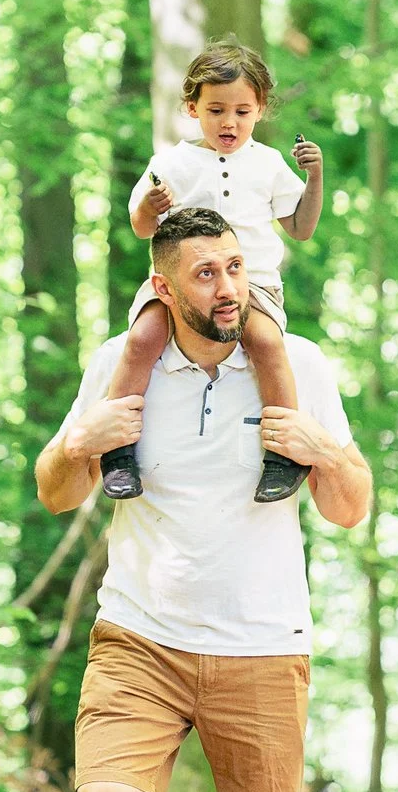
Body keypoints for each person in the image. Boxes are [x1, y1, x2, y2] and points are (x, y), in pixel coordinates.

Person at [34, 206, 372, 792]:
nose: (229, 288)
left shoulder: (302, 366)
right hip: (139, 633)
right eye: (207, 274)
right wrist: (78, 440)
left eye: (236, 267)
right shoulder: (119, 361)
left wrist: (321, 451)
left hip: (262, 640)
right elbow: (57, 491)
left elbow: (351, 505)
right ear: (164, 286)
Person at [98, 39, 326, 506]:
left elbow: (300, 229)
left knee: (266, 343)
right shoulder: (172, 163)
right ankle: (118, 451)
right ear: (191, 107)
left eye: (242, 112)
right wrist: (149, 205)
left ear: (260, 110)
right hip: (181, 283)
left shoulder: (267, 163)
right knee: (141, 340)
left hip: (252, 284)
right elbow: (142, 226)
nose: (229, 122)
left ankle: (283, 457)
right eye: (217, 110)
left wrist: (315, 179)